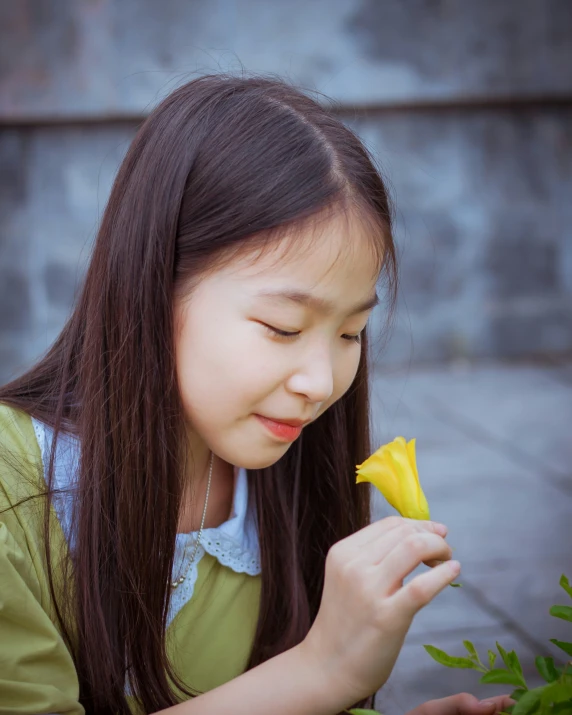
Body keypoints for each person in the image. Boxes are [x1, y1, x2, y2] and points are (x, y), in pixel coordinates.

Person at [0, 75, 513, 715]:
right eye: (283, 327)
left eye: (351, 332)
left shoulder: (291, 474)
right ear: (155, 285)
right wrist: (320, 671)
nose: (321, 384)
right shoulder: (13, 490)